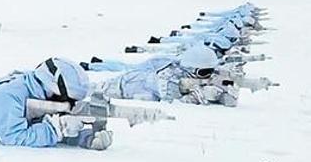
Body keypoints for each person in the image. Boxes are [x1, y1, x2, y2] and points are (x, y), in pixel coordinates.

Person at [96, 45, 238, 107]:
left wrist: (226, 92)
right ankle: (94, 65)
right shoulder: (169, 78)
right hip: (123, 85)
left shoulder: (198, 72)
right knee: (92, 90)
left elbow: (226, 95)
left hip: (139, 78)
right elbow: (173, 102)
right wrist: (198, 96)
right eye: (203, 73)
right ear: (189, 69)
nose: (208, 76)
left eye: (211, 71)